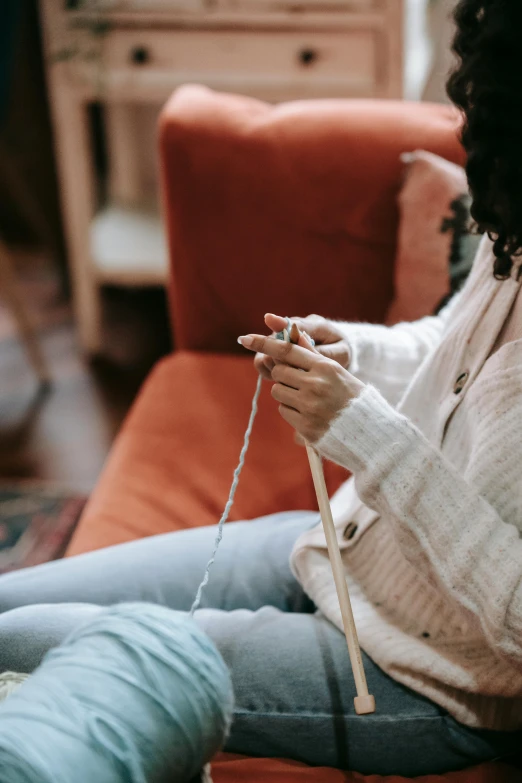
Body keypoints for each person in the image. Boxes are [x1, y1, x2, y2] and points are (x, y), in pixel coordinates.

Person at [0, 0, 521, 776]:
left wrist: (368, 434)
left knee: (18, 647)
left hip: (422, 680)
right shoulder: (515, 234)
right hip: (331, 552)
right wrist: (351, 351)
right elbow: (449, 347)